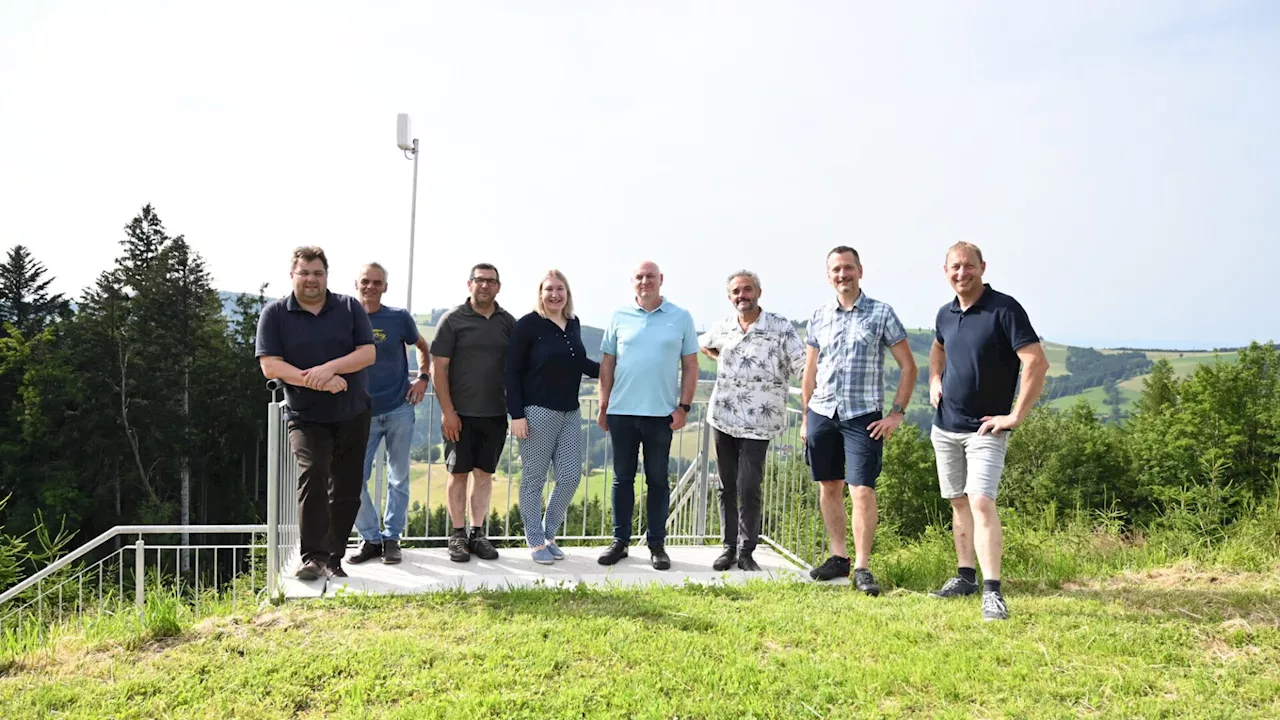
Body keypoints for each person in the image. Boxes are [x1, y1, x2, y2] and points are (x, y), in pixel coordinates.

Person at [927, 241, 1049, 621]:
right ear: (945, 271)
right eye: (955, 268)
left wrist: (1014, 416)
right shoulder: (945, 313)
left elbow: (1036, 363)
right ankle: (966, 577)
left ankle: (992, 592)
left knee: (981, 502)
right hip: (945, 427)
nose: (961, 273)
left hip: (986, 430)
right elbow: (938, 348)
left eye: (968, 266)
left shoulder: (1005, 309)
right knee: (959, 502)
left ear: (982, 267)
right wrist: (934, 378)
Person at [801, 246, 917, 595]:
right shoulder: (819, 314)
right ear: (829, 275)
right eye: (836, 270)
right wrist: (807, 417)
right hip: (823, 412)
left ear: (860, 271)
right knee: (829, 486)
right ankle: (839, 557)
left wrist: (897, 414)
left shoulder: (881, 313)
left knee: (862, 489)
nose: (842, 275)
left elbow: (909, 367)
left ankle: (863, 567)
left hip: (862, 416)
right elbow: (810, 372)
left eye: (848, 268)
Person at [255, 246, 375, 580]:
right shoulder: (275, 313)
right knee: (314, 475)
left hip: (353, 411)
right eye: (304, 273)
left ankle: (334, 556)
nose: (311, 279)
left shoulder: (349, 306)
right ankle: (313, 557)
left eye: (318, 273)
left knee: (349, 486)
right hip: (305, 415)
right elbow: (270, 365)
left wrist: (328, 369)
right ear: (292, 275)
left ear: (327, 275)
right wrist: (320, 383)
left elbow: (366, 353)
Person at [596, 261, 699, 570]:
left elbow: (691, 366)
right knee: (622, 479)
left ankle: (657, 545)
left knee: (657, 480)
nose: (645, 281)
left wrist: (684, 407)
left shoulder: (681, 317)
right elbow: (607, 364)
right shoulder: (619, 316)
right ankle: (620, 542)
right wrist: (603, 406)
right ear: (633, 282)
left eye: (650, 276)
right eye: (639, 277)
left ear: (661, 280)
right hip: (622, 412)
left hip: (661, 416)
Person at [700, 270, 805, 572]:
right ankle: (727, 547)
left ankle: (747, 550)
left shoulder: (780, 327)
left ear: (759, 292)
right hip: (723, 416)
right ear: (729, 296)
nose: (742, 296)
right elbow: (705, 343)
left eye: (747, 290)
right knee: (726, 486)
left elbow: (802, 365)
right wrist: (718, 356)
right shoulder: (723, 326)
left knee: (748, 486)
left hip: (761, 420)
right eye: (736, 291)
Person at [505, 270, 601, 564]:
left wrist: (611, 369)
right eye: (549, 289)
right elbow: (511, 371)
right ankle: (535, 541)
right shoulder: (528, 325)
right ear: (541, 293)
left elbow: (579, 362)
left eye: (560, 289)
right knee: (534, 479)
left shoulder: (573, 323)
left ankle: (549, 533)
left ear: (567, 293)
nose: (555, 294)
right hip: (537, 412)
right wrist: (517, 415)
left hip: (570, 412)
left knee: (571, 476)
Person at [345, 263, 432, 567]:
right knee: (352, 478)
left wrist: (423, 378)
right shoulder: (344, 318)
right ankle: (371, 538)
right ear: (356, 283)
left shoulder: (398, 318)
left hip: (398, 409)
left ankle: (392, 539)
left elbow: (423, 346)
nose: (370, 286)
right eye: (365, 281)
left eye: (377, 282)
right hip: (359, 413)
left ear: (385, 287)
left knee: (399, 478)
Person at [430, 263, 516, 562]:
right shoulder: (453, 320)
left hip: (495, 413)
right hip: (459, 414)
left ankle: (478, 534)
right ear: (469, 285)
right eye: (479, 280)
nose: (484, 286)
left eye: (490, 281)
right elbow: (438, 368)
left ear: (498, 287)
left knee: (484, 475)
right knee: (458, 474)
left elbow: (519, 365)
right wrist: (448, 412)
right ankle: (457, 535)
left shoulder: (508, 322)